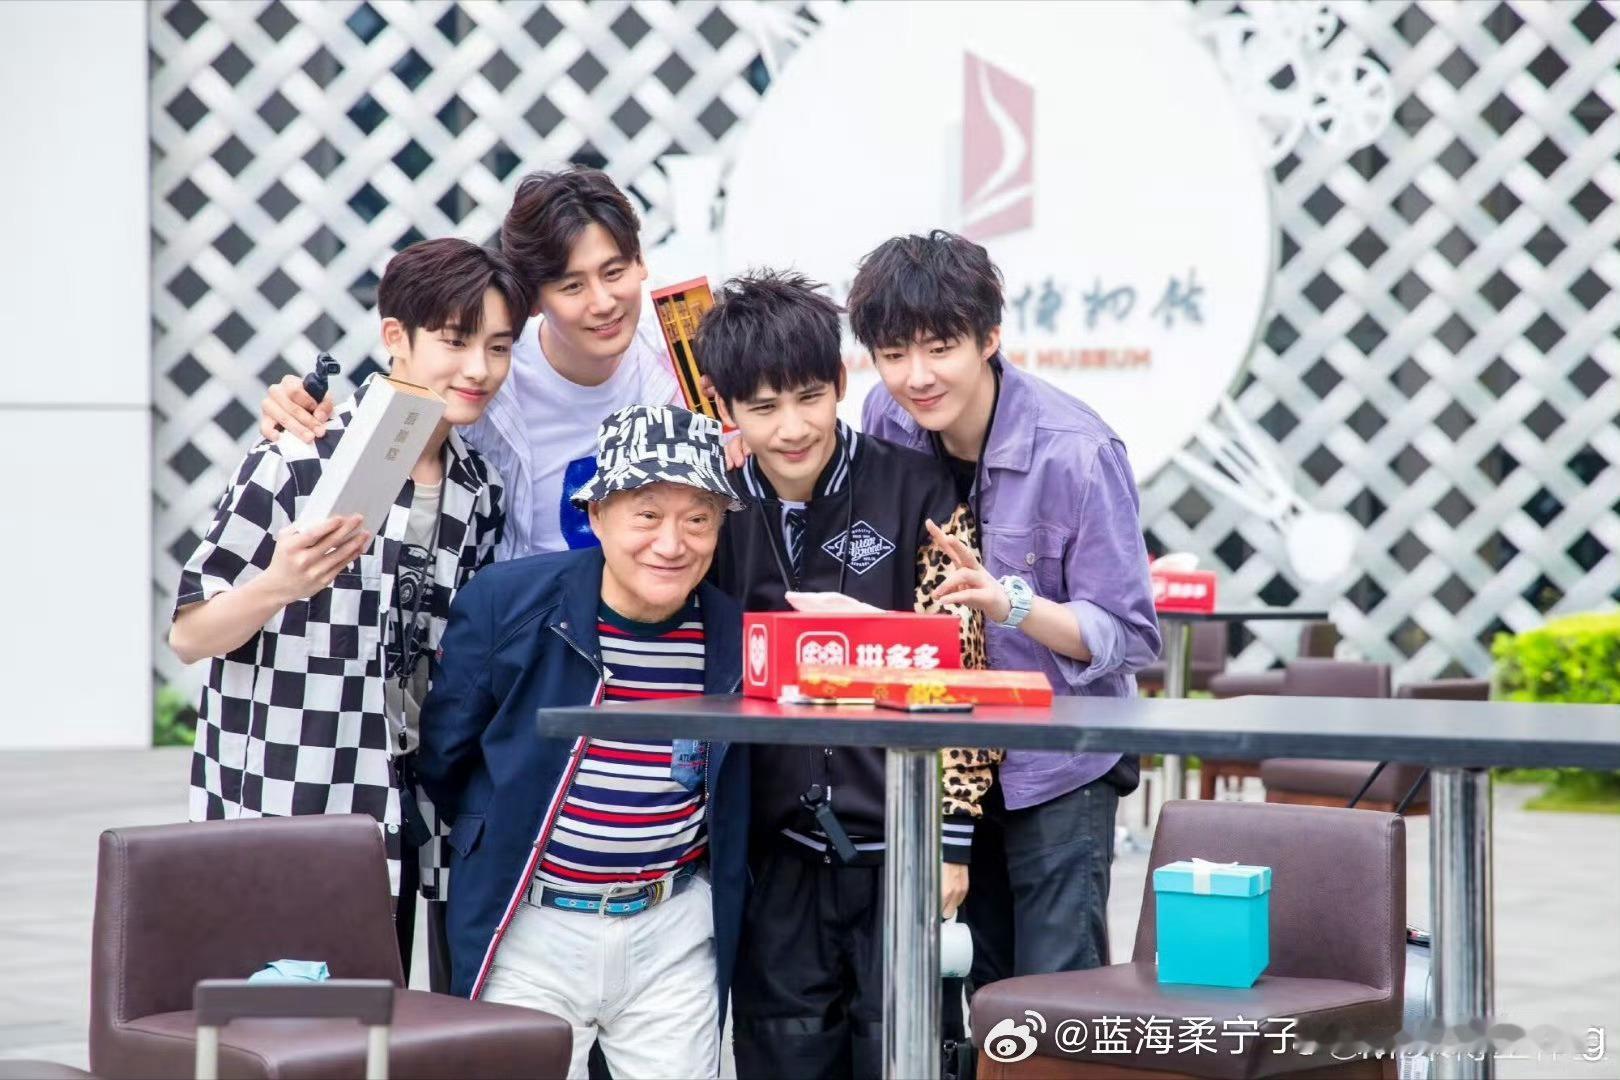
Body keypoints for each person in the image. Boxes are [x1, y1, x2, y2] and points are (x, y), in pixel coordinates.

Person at [170, 237, 526, 989]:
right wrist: (278, 585)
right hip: (290, 795)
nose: (479, 368)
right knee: (290, 1027)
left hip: (413, 802)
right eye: (456, 341)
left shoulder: (481, 488)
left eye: (498, 347)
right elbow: (189, 633)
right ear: (396, 336)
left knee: (390, 1022)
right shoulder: (299, 458)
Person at [699, 270, 996, 1078]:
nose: (793, 427)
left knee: (906, 1053)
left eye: (809, 397)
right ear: (726, 408)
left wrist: (951, 841)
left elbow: (963, 666)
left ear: (839, 381)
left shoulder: (919, 491)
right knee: (782, 1052)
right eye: (763, 408)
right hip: (771, 856)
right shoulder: (710, 513)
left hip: (903, 849)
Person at [851, 230, 1162, 986]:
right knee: (970, 986)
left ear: (989, 339)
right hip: (942, 754)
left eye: (939, 349)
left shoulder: (1077, 451)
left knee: (1056, 994)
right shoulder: (885, 418)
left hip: (1058, 763)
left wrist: (1011, 605)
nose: (917, 376)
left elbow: (1129, 635)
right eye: (893, 354)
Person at [415, 404, 750, 1080]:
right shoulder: (508, 604)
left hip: (671, 926)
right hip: (532, 923)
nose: (671, 543)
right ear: (596, 515)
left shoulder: (733, 636)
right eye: (647, 515)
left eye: (698, 519)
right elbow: (446, 754)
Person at [259, 166, 681, 559]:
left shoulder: (683, 352)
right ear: (532, 299)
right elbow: (404, 400)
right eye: (572, 286)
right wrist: (301, 408)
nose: (603, 303)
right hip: (522, 607)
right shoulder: (488, 375)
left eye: (613, 273)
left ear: (640, 263)